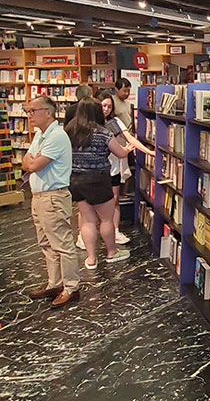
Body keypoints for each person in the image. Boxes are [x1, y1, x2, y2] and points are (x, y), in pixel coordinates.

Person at [22, 95, 80, 308]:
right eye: (28, 111)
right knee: (46, 243)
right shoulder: (40, 134)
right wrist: (31, 160)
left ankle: (71, 287)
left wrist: (32, 161)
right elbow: (26, 160)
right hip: (39, 197)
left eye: (33, 111)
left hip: (53, 197)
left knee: (62, 244)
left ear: (48, 112)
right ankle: (55, 283)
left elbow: (34, 165)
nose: (29, 116)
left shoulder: (56, 136)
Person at [65, 97, 131, 269]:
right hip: (98, 179)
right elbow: (120, 153)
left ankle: (91, 259)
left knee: (87, 221)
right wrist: (127, 149)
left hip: (76, 179)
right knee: (106, 219)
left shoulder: (70, 131)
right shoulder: (103, 132)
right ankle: (111, 252)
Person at [99, 90, 153, 243]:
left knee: (115, 200)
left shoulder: (115, 122)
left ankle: (115, 231)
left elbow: (130, 138)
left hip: (113, 167)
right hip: (95, 169)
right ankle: (87, 234)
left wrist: (148, 151)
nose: (106, 109)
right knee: (90, 204)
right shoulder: (89, 121)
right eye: (103, 106)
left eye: (109, 106)